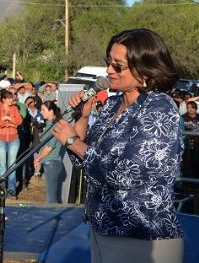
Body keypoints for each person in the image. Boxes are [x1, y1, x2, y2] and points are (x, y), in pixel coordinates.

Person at [52, 28, 184, 263]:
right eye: (109, 62)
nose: (108, 71)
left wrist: (72, 141)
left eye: (118, 66)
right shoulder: (112, 105)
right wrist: (82, 118)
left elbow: (124, 175)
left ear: (144, 69)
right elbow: (82, 161)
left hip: (141, 234)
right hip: (102, 226)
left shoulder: (159, 108)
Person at [32, 101, 64, 203]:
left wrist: (37, 158)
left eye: (43, 110)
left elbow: (50, 147)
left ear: (51, 111)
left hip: (52, 163)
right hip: (49, 162)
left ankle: (54, 217)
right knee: (53, 195)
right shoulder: (49, 123)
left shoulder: (55, 125)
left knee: (52, 197)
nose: (41, 112)